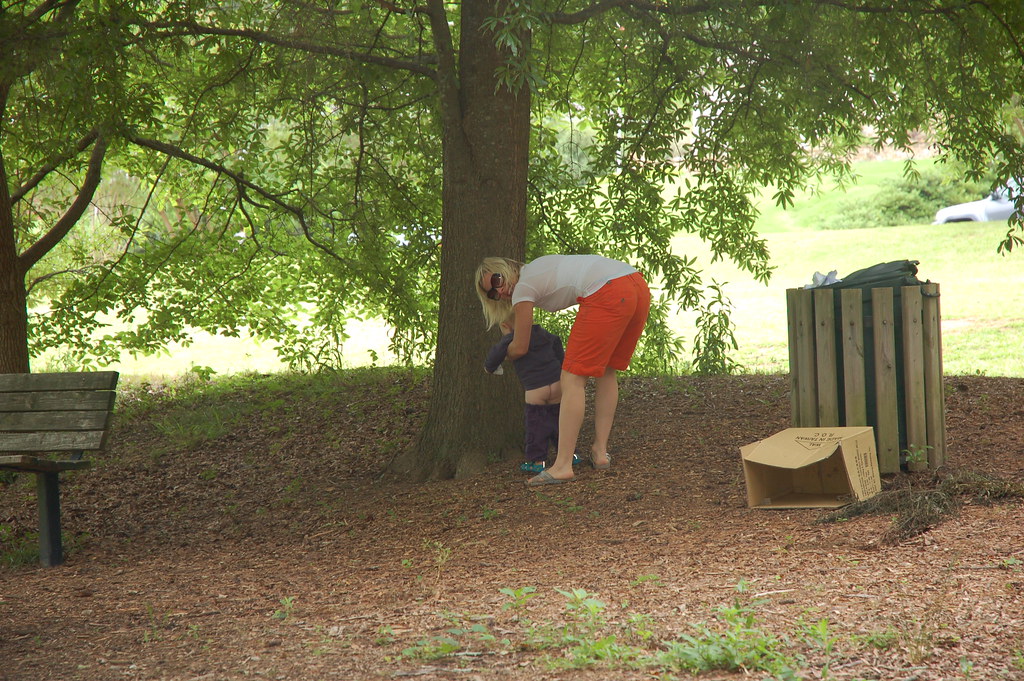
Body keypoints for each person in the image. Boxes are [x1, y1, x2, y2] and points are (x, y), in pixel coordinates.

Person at [474, 254, 651, 486]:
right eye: (493, 294)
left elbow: (520, 346)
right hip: (636, 285)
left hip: (607, 291)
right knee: (607, 371)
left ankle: (563, 466)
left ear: (506, 268)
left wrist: (498, 355)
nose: (500, 291)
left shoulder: (523, 287)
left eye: (497, 280)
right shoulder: (537, 267)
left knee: (571, 378)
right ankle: (599, 452)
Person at [484, 317, 564, 474]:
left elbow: (494, 356)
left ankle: (537, 461)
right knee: (560, 420)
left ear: (505, 325)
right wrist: (561, 365)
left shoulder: (511, 340)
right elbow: (557, 344)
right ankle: (569, 454)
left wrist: (489, 368)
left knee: (536, 425)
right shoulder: (543, 334)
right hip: (556, 383)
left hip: (535, 388)